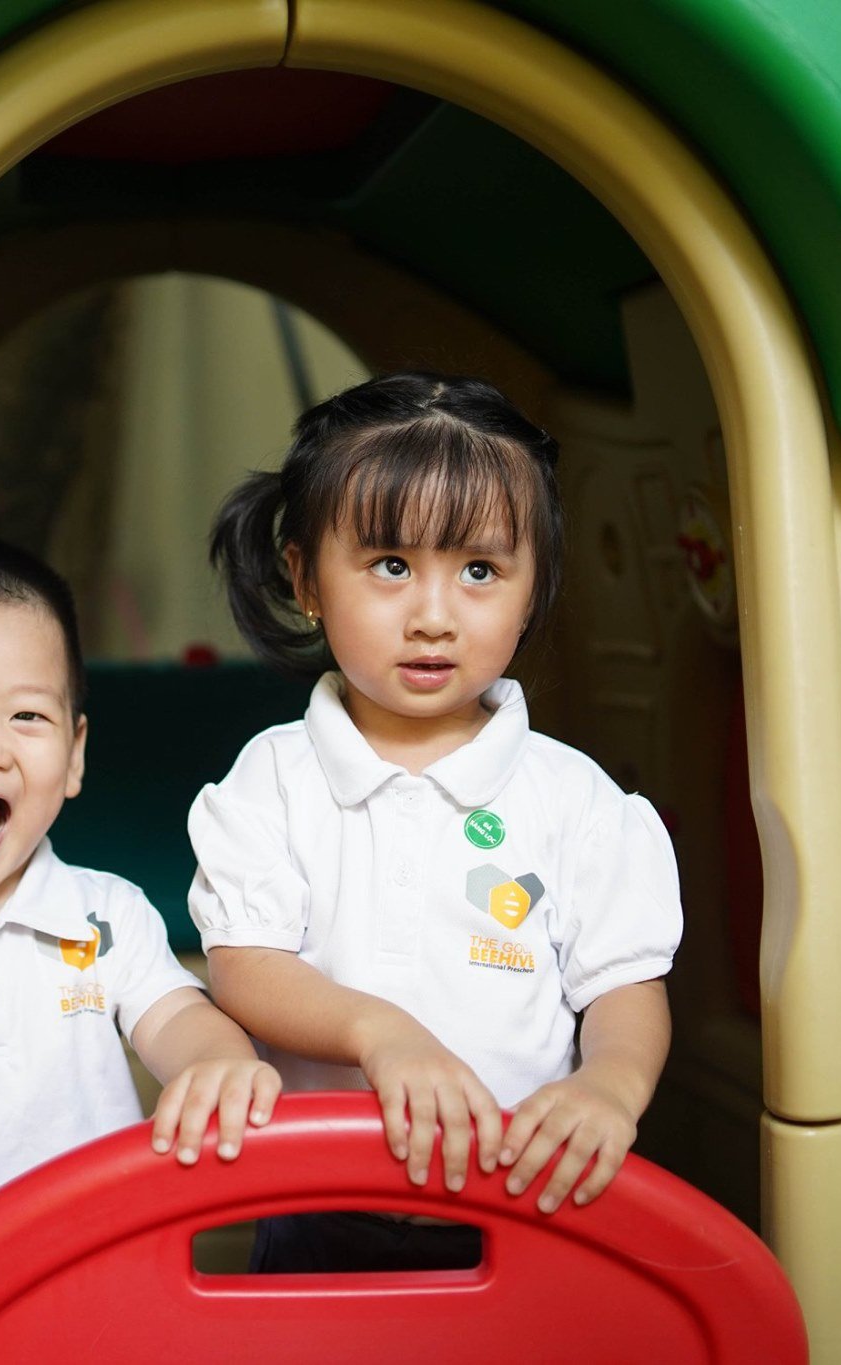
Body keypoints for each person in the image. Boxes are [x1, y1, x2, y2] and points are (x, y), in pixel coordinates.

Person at [190, 372, 681, 1273]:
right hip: (316, 1202)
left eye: (480, 571)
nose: (433, 617)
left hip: (525, 1206)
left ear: (533, 589)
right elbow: (245, 966)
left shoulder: (574, 798)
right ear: (305, 578)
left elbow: (624, 985)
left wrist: (611, 1086)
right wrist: (379, 1031)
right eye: (390, 565)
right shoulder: (274, 778)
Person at [0, 534, 281, 1320]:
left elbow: (175, 1017)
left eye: (27, 715)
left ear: (75, 755)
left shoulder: (105, 910)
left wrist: (218, 1061)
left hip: (105, 1286)